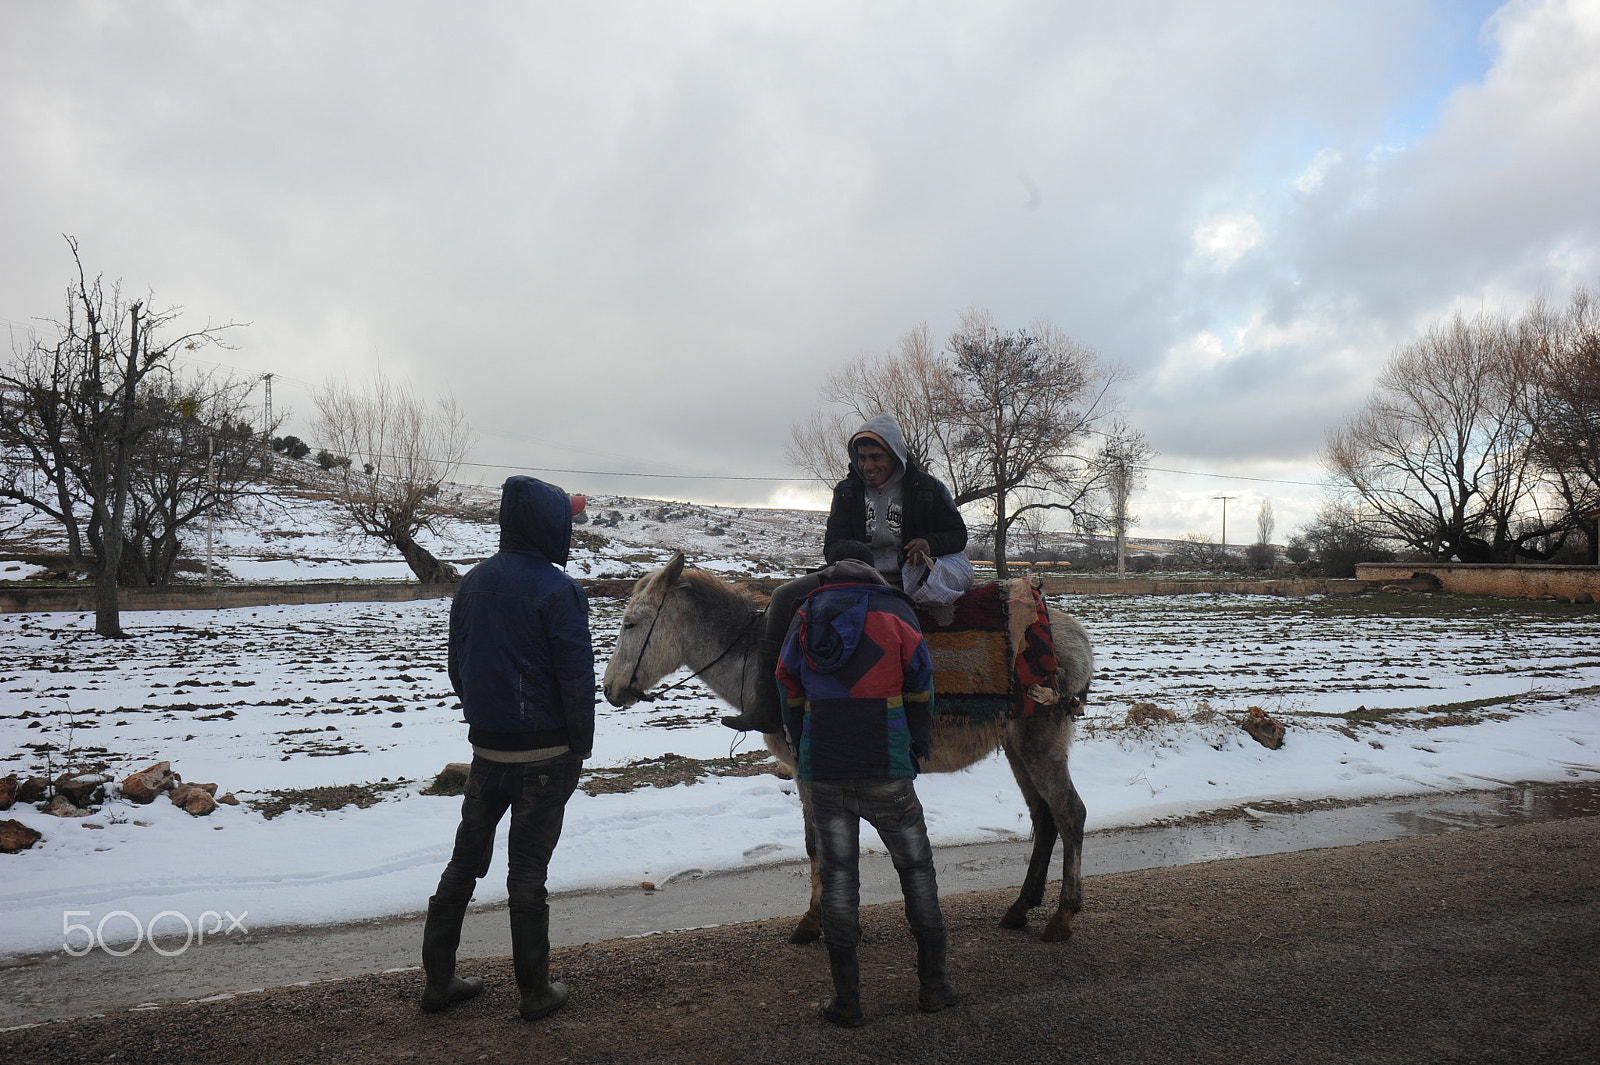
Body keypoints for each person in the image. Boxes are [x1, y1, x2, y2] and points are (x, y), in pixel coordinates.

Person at [420, 475, 595, 1023]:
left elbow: (458, 668)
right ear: (550, 526)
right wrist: (578, 749)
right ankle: (534, 992)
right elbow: (575, 680)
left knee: (462, 865)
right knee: (527, 874)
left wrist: (485, 720)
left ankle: (439, 981)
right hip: (545, 757)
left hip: (487, 754)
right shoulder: (559, 591)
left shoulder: (472, 584)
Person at [774, 542, 959, 1026]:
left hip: (827, 771)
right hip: (887, 764)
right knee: (917, 873)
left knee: (837, 883)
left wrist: (801, 743)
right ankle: (933, 988)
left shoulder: (805, 616)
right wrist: (918, 739)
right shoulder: (896, 613)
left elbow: (786, 684)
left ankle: (848, 1002)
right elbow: (921, 681)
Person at [721, 412, 967, 733]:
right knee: (782, 597)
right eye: (862, 457)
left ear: (894, 454)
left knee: (903, 631)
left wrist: (929, 543)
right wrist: (858, 557)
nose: (868, 466)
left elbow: (958, 535)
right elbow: (832, 545)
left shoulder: (927, 489)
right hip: (850, 575)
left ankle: (913, 714)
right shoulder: (848, 492)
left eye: (876, 457)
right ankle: (767, 704)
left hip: (903, 581)